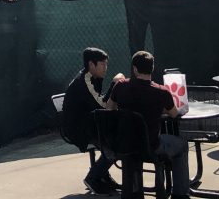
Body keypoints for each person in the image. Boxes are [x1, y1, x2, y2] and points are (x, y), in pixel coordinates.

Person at [105, 50, 191, 199]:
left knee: (134, 153)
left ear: (134, 69)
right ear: (152, 68)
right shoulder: (161, 92)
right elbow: (174, 114)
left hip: (124, 143)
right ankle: (180, 193)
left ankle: (134, 191)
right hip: (151, 146)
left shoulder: (120, 86)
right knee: (182, 145)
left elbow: (109, 108)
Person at [62, 47, 121, 194]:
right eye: (102, 64)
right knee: (113, 145)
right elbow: (102, 106)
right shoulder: (84, 81)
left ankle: (102, 175)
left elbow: (100, 104)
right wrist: (114, 85)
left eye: (106, 64)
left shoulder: (94, 78)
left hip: (89, 122)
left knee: (115, 137)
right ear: (91, 65)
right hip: (78, 129)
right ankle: (93, 178)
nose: (105, 68)